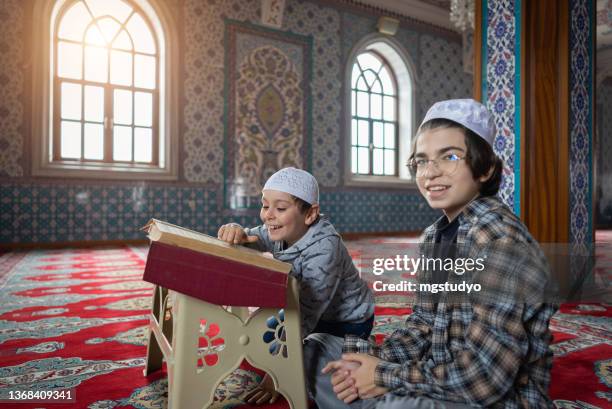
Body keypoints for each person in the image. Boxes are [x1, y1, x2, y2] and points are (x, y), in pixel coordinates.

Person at [308, 99, 557, 408]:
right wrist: (371, 363)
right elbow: (424, 324)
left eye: (450, 156)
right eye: (422, 161)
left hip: (492, 399)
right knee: (316, 351)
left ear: (485, 168)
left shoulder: (499, 241)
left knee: (395, 403)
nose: (431, 173)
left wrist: (384, 377)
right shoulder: (434, 237)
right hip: (438, 380)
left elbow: (484, 381)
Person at [217, 167, 375, 405]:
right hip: (311, 309)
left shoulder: (325, 249)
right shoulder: (279, 229)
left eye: (280, 208)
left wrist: (279, 374)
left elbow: (305, 317)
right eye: (264, 205)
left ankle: (359, 349)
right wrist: (236, 231)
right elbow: (251, 239)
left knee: (308, 359)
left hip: (346, 323)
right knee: (265, 326)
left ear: (310, 214)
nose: (268, 215)